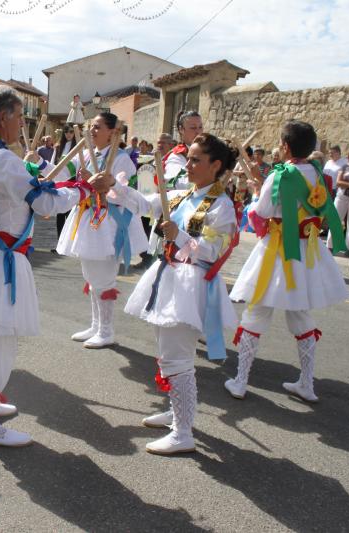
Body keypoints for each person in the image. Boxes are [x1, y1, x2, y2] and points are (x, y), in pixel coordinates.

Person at [0, 85, 113, 446]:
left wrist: (36, 176)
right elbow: (45, 204)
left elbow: (11, 191)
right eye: (20, 116)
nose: (23, 123)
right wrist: (86, 189)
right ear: (3, 116)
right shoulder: (1, 159)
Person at [122, 133, 239, 454]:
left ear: (215, 165)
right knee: (166, 351)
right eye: (188, 158)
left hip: (192, 285)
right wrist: (117, 188)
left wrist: (180, 235)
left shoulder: (222, 205)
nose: (187, 165)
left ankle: (182, 431)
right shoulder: (182, 194)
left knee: (179, 357)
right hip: (170, 278)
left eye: (195, 160)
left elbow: (212, 252)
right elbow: (144, 203)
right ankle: (176, 412)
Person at [228, 120, 349, 403]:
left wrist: (257, 191)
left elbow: (262, 212)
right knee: (301, 314)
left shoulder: (280, 174)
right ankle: (306, 383)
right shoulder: (318, 173)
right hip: (308, 253)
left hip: (278, 250)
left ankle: (241, 381)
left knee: (256, 311)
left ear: (284, 146)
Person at [45, 112, 147, 349]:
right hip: (89, 218)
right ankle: (95, 325)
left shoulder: (121, 159)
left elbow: (125, 194)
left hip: (109, 223)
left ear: (113, 132)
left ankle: (106, 330)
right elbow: (61, 172)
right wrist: (38, 163)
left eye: (98, 127)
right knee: (91, 275)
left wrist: (101, 183)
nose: (92, 130)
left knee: (103, 277)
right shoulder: (89, 154)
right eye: (91, 126)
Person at [52, 127, 78, 243]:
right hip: (60, 182)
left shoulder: (78, 147)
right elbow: (53, 163)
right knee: (60, 212)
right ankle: (59, 242)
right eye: (66, 131)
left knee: (71, 213)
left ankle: (69, 242)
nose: (68, 134)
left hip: (73, 181)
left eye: (71, 132)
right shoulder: (58, 147)